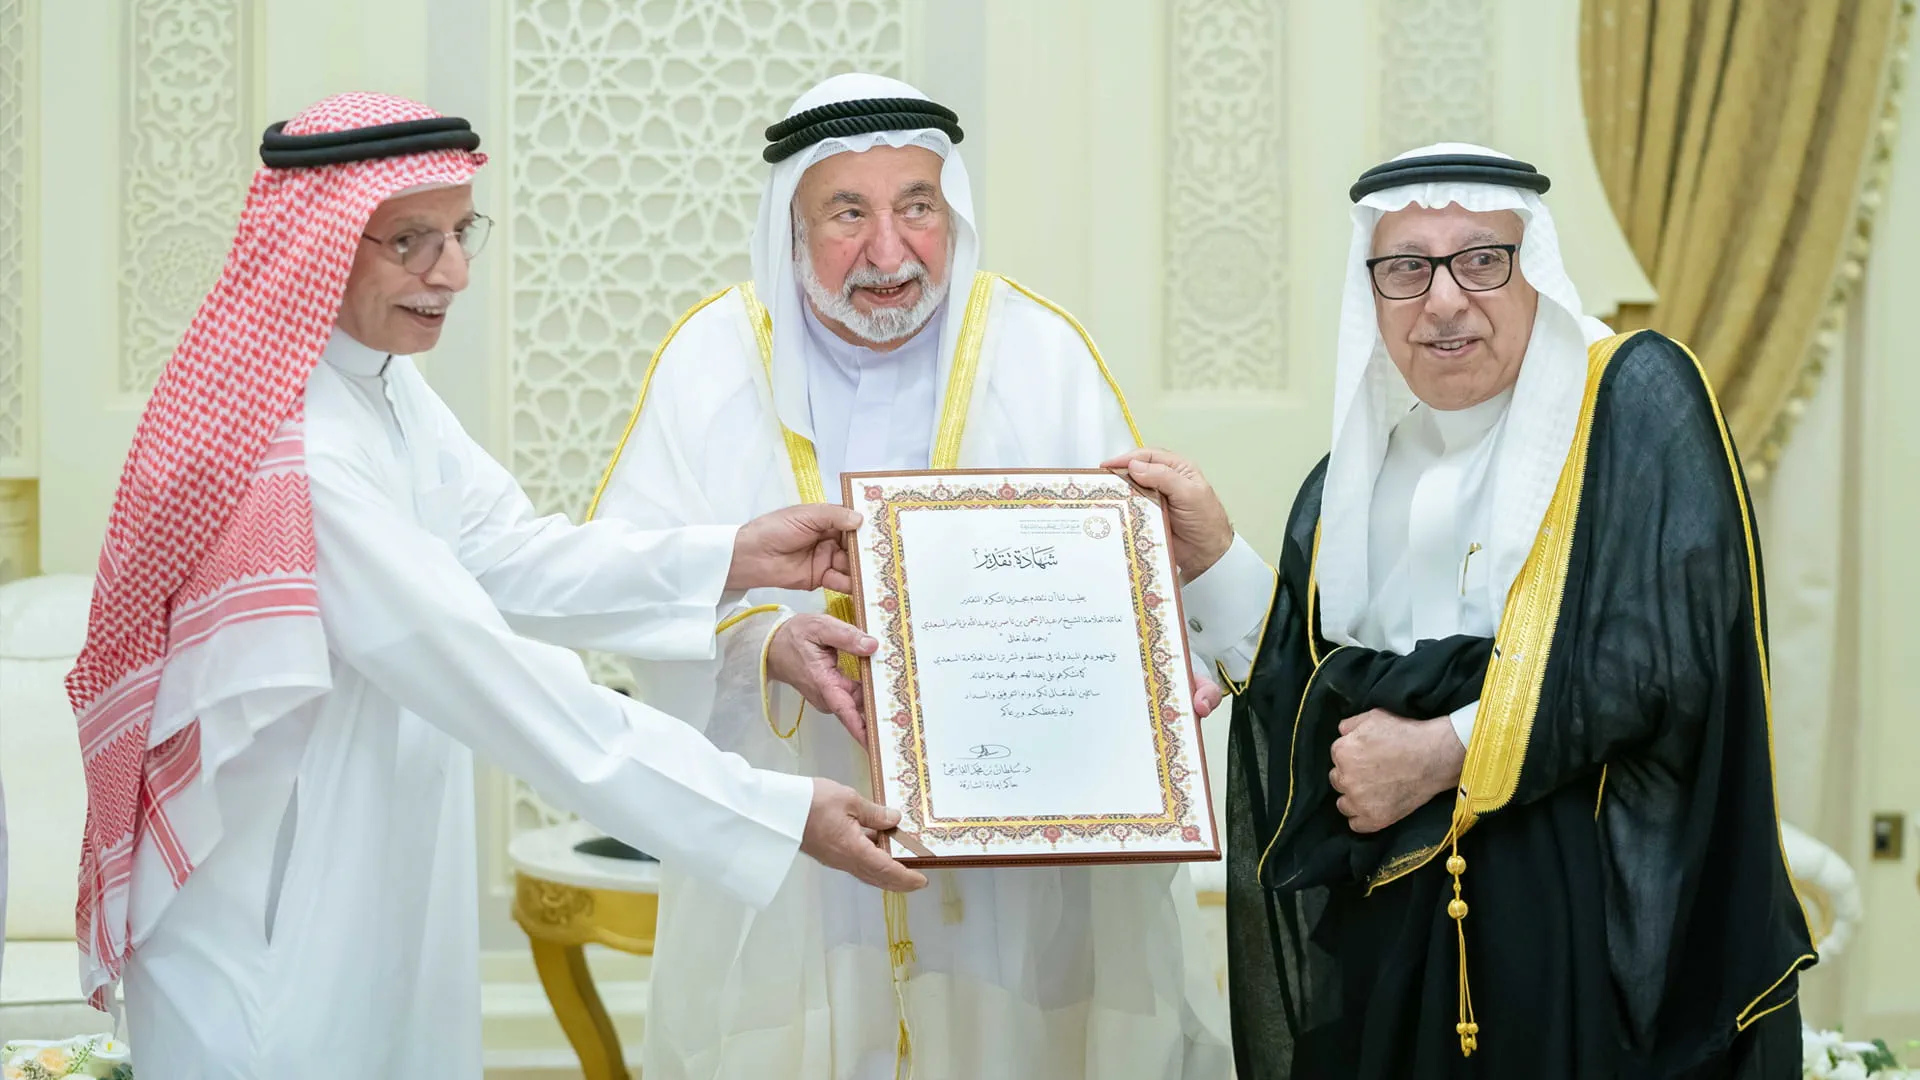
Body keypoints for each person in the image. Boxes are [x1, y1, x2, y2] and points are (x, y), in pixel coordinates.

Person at [65, 92, 925, 1079]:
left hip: (373, 860)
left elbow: (511, 550)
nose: (454, 272)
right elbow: (498, 683)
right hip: (276, 917)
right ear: (321, 246)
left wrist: (733, 556)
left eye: (460, 232)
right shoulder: (299, 454)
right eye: (412, 241)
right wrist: (771, 812)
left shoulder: (376, 384)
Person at [1111, 144, 1815, 1079]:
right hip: (1393, 955)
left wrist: (1447, 749)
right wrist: (1210, 559)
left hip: (1584, 958)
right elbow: (1308, 693)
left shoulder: (1635, 400)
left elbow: (1668, 659)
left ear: (1539, 272)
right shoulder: (1348, 485)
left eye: (1483, 259)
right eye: (1406, 270)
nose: (1444, 300)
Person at [590, 73, 1231, 1080]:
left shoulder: (1044, 358)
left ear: (952, 213)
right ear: (790, 229)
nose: (890, 254)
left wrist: (1151, 680)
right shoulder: (709, 367)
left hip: (1015, 892)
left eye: (917, 208)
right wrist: (762, 644)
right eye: (849, 213)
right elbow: (624, 592)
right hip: (791, 855)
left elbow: (1135, 596)